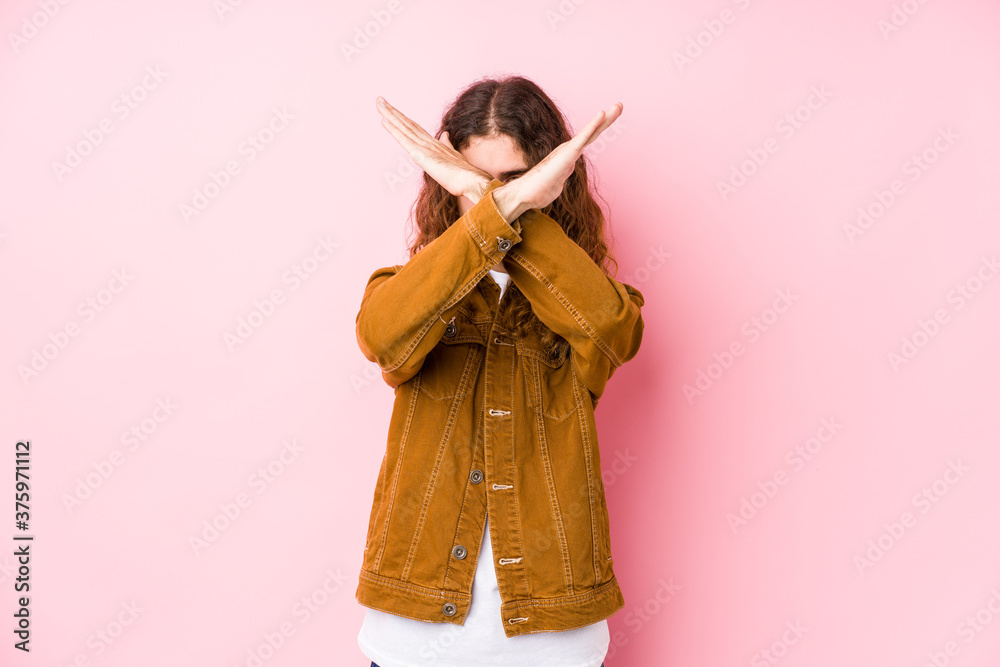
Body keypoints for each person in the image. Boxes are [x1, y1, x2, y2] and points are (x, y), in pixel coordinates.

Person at [355, 74, 644, 667]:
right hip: (415, 623)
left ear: (554, 182)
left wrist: (497, 206)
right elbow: (382, 337)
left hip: (553, 628)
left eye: (515, 182)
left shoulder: (590, 295)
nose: (493, 197)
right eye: (475, 181)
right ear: (445, 177)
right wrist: (499, 208)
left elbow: (615, 330)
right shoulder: (406, 287)